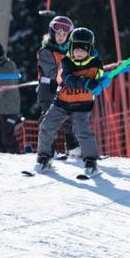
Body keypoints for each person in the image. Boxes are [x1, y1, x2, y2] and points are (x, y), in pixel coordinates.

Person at [35, 27, 106, 176]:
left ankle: (91, 163)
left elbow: (99, 76)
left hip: (82, 104)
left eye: (84, 49)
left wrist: (102, 81)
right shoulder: (66, 61)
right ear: (71, 47)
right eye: (76, 48)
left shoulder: (96, 63)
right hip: (62, 101)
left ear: (90, 49)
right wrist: (86, 82)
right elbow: (67, 79)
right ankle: (44, 158)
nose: (79, 53)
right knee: (47, 125)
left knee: (82, 131)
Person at [36, 15, 81, 157]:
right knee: (49, 118)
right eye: (58, 33)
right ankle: (47, 149)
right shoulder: (45, 51)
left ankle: (73, 147)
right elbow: (52, 72)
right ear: (52, 33)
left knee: (68, 117)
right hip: (48, 88)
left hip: (64, 88)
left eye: (64, 34)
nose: (61, 36)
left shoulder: (69, 52)